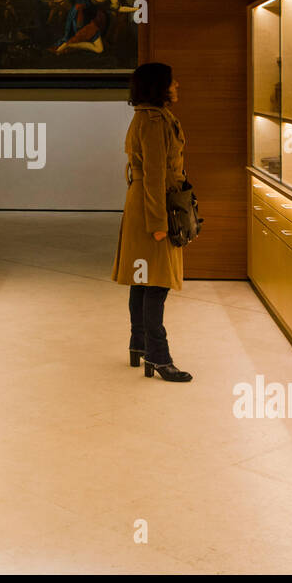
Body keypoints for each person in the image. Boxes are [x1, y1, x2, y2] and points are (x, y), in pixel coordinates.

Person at [111, 62, 193, 382]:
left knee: (142, 279)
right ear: (159, 86)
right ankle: (159, 357)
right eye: (172, 81)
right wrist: (159, 224)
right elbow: (156, 176)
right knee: (157, 283)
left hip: (142, 205)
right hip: (153, 209)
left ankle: (138, 345)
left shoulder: (144, 117)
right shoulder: (155, 121)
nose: (177, 85)